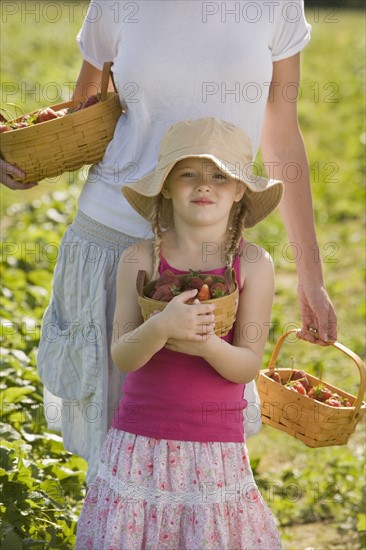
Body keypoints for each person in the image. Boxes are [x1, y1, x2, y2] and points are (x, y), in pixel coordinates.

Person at [1, 1, 337, 485]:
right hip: (111, 240)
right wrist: (20, 156)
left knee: (198, 462)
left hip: (208, 259)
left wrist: (312, 276)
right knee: (112, 459)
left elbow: (282, 138)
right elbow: (82, 119)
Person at [75, 116, 284, 550]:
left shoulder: (254, 264)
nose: (204, 185)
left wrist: (205, 344)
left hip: (214, 449)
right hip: (139, 444)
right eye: (188, 173)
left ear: (240, 190)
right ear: (166, 185)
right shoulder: (141, 259)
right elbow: (123, 355)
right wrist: (161, 326)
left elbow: (246, 366)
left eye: (219, 176)